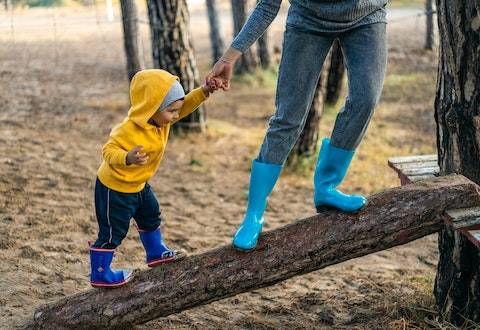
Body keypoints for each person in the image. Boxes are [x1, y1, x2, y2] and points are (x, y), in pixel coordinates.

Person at [206, 0, 388, 251]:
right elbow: (267, 5)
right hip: (308, 20)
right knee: (288, 118)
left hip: (367, 15)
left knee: (365, 101)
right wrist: (230, 57)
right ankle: (254, 214)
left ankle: (327, 187)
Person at [90, 69, 219, 287]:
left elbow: (184, 105)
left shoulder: (162, 120)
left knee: (151, 214)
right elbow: (108, 150)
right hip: (116, 188)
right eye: (171, 111)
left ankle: (155, 252)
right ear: (152, 108)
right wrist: (126, 157)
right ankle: (100, 273)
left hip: (140, 185)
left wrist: (204, 91)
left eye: (176, 110)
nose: (176, 116)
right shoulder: (127, 129)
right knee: (114, 231)